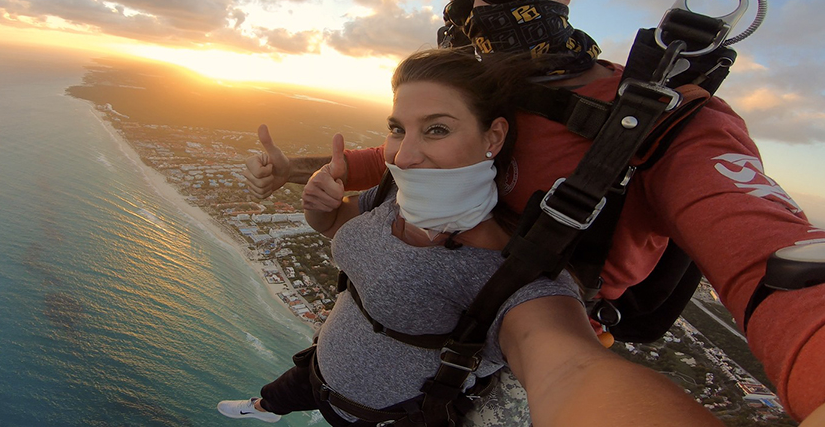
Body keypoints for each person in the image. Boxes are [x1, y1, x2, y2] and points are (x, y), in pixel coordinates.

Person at [243, 0, 825, 422]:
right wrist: (295, 169)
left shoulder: (668, 119)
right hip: (425, 288)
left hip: (537, 318)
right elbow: (397, 156)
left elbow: (766, 249)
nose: (479, 15)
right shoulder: (484, 92)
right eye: (459, 8)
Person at [220, 47, 724, 427]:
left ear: (494, 138)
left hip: (396, 416)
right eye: (398, 128)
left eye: (436, 129)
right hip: (319, 370)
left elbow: (569, 368)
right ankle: (265, 407)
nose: (406, 155)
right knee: (281, 393)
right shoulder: (394, 194)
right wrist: (319, 212)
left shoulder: (512, 274)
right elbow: (342, 226)